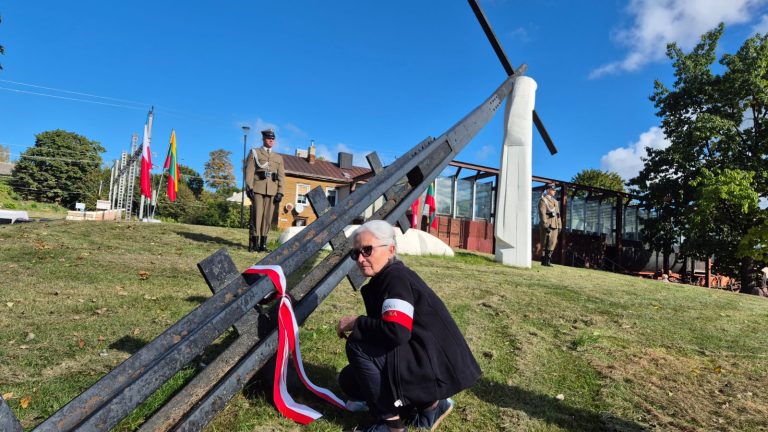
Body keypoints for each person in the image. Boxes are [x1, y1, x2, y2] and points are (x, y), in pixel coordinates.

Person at [336, 220, 481, 432]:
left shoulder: (395, 278)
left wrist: (357, 323)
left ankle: (391, 425)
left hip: (432, 368)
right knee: (350, 380)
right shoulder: (388, 276)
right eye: (355, 253)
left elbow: (396, 331)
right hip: (427, 362)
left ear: (391, 250)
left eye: (367, 250)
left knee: (357, 346)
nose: (360, 258)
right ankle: (431, 406)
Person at [244, 129, 285, 252]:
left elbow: (282, 176)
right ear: (263, 139)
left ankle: (263, 244)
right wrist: (249, 187)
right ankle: (255, 243)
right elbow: (249, 171)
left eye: (273, 139)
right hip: (258, 188)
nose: (271, 140)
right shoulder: (255, 152)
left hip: (272, 189)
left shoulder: (278, 157)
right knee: (258, 215)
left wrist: (280, 191)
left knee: (267, 217)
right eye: (268, 138)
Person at [538, 183, 561, 267]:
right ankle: (544, 260)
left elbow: (558, 214)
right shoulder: (543, 200)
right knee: (544, 242)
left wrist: (559, 225)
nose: (554, 191)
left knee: (552, 242)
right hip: (547, 223)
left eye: (554, 190)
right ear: (548, 190)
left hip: (554, 224)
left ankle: (548, 260)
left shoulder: (555, 202)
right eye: (553, 189)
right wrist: (545, 224)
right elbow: (542, 213)